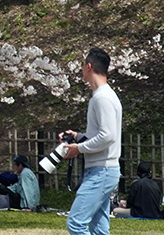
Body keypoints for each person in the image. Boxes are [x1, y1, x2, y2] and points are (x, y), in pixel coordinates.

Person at [60, 48, 123, 235]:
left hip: (101, 171)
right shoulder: (104, 96)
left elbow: (108, 136)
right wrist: (78, 136)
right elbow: (102, 133)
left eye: (82, 65)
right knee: (99, 227)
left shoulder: (102, 98)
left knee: (76, 223)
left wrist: (78, 148)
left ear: (89, 66)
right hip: (104, 170)